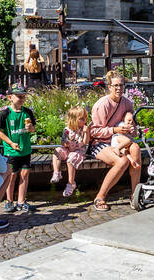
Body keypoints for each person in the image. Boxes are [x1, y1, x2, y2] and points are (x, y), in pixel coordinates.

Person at [90, 70, 143, 210]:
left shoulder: (127, 103)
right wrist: (114, 130)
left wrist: (132, 129)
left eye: (121, 85)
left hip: (119, 140)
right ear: (109, 87)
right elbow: (94, 131)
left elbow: (133, 126)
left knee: (136, 149)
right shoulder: (102, 104)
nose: (119, 88)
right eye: (115, 85)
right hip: (100, 142)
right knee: (122, 161)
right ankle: (100, 197)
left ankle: (135, 195)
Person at [0, 87, 37, 215]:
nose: (21, 99)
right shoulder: (5, 114)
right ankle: (9, 201)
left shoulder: (27, 112)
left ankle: (21, 201)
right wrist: (11, 143)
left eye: (23, 96)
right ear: (10, 97)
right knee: (12, 176)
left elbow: (33, 129)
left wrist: (31, 128)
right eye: (18, 96)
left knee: (24, 175)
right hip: (11, 151)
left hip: (25, 149)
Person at [51, 105, 91, 198]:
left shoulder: (84, 129)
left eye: (85, 118)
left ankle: (71, 183)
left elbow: (85, 142)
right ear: (73, 119)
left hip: (78, 151)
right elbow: (62, 142)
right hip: (68, 149)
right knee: (57, 151)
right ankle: (56, 173)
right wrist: (67, 144)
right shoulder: (67, 130)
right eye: (81, 118)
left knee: (71, 158)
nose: (85, 120)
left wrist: (86, 132)